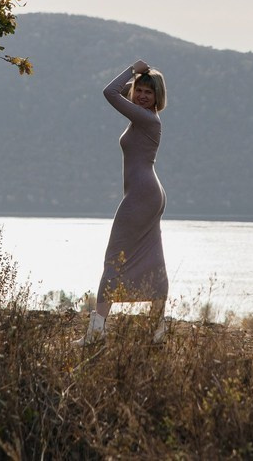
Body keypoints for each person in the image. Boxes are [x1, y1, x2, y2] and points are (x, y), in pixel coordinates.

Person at [76, 59, 170, 345]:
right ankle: (158, 331)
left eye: (148, 93)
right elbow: (125, 92)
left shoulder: (146, 119)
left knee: (114, 258)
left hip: (141, 196)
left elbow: (110, 92)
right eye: (139, 90)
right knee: (153, 260)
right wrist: (142, 79)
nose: (141, 95)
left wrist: (133, 70)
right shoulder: (145, 117)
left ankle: (96, 332)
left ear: (158, 98)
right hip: (148, 194)